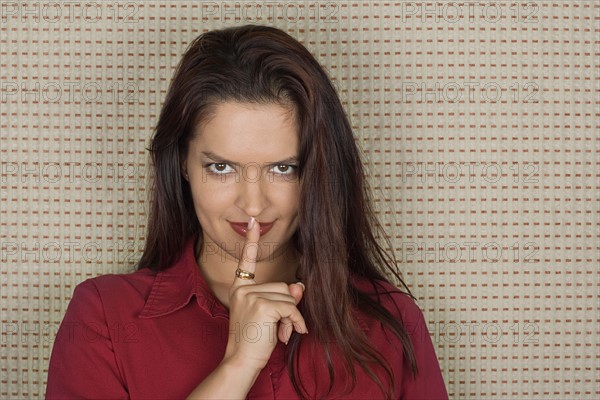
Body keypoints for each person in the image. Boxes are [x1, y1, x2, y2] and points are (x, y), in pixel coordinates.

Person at [46, 25, 448, 399]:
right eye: (221, 167)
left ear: (318, 172)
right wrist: (238, 365)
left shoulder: (392, 324)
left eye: (283, 168)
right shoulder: (103, 317)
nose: (254, 204)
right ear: (182, 165)